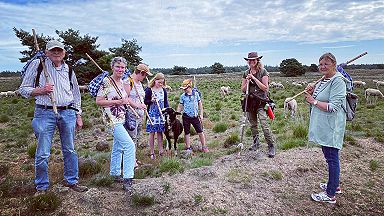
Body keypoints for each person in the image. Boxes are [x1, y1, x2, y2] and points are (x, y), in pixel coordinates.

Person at [19, 40, 87, 194]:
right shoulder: (38, 64)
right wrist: (41, 90)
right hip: (44, 112)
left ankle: (72, 181)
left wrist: (78, 114)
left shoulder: (68, 69)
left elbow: (76, 93)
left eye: (59, 50)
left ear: (64, 53)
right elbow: (23, 89)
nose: (56, 53)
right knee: (43, 152)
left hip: (68, 112)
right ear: (47, 52)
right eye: (53, 50)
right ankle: (41, 186)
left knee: (70, 149)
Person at [305, 53, 348, 204]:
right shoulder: (324, 79)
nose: (322, 66)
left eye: (326, 64)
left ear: (334, 64)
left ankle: (330, 194)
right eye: (320, 64)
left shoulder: (338, 81)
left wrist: (313, 101)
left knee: (332, 158)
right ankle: (334, 185)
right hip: (324, 126)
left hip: (331, 126)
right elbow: (317, 97)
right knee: (330, 157)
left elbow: (333, 107)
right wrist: (311, 93)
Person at [96, 57, 136, 192]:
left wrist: (136, 105)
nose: (120, 69)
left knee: (118, 147)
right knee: (129, 146)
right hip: (111, 120)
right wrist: (117, 102)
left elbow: (126, 99)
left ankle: (114, 173)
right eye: (118, 67)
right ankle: (128, 178)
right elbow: (99, 101)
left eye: (123, 67)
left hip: (121, 118)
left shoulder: (122, 82)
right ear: (112, 67)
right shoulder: (106, 82)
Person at [241, 52, 276, 158]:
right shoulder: (245, 73)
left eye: (254, 60)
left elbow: (265, 88)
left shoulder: (263, 72)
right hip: (250, 102)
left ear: (257, 61)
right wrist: (247, 81)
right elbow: (243, 89)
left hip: (261, 101)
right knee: (253, 125)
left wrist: (254, 79)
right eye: (249, 60)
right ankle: (256, 143)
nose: (251, 62)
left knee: (264, 124)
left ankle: (271, 145)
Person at [177, 79, 208, 153]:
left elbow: (200, 104)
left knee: (200, 131)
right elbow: (180, 106)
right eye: (183, 89)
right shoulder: (183, 96)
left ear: (189, 87)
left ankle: (204, 146)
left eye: (185, 88)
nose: (184, 90)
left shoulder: (196, 94)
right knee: (187, 132)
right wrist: (177, 114)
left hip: (195, 116)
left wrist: (201, 114)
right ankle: (188, 147)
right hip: (186, 117)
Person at [125, 64, 152, 147]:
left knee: (136, 138)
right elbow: (125, 98)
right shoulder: (128, 81)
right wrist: (137, 105)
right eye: (145, 75)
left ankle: (134, 158)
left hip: (140, 115)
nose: (145, 77)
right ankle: (130, 159)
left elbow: (141, 98)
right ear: (141, 72)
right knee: (131, 138)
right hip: (131, 115)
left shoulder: (140, 83)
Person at [144, 73, 169, 159]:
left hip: (161, 114)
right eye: (159, 82)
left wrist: (167, 112)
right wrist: (151, 100)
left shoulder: (164, 90)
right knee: (152, 133)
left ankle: (161, 151)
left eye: (162, 82)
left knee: (160, 132)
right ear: (155, 80)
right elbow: (144, 101)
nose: (161, 84)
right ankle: (152, 152)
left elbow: (166, 103)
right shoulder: (149, 90)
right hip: (152, 114)